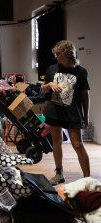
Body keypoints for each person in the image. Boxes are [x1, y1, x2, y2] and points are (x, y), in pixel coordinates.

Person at [42, 40, 90, 185]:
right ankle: (59, 173)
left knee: (78, 145)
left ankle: (87, 179)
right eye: (55, 54)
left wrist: (85, 116)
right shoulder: (51, 69)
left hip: (72, 113)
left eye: (58, 54)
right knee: (56, 142)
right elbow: (43, 89)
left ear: (67, 54)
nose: (56, 56)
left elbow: (85, 96)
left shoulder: (81, 71)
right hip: (54, 112)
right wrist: (49, 84)